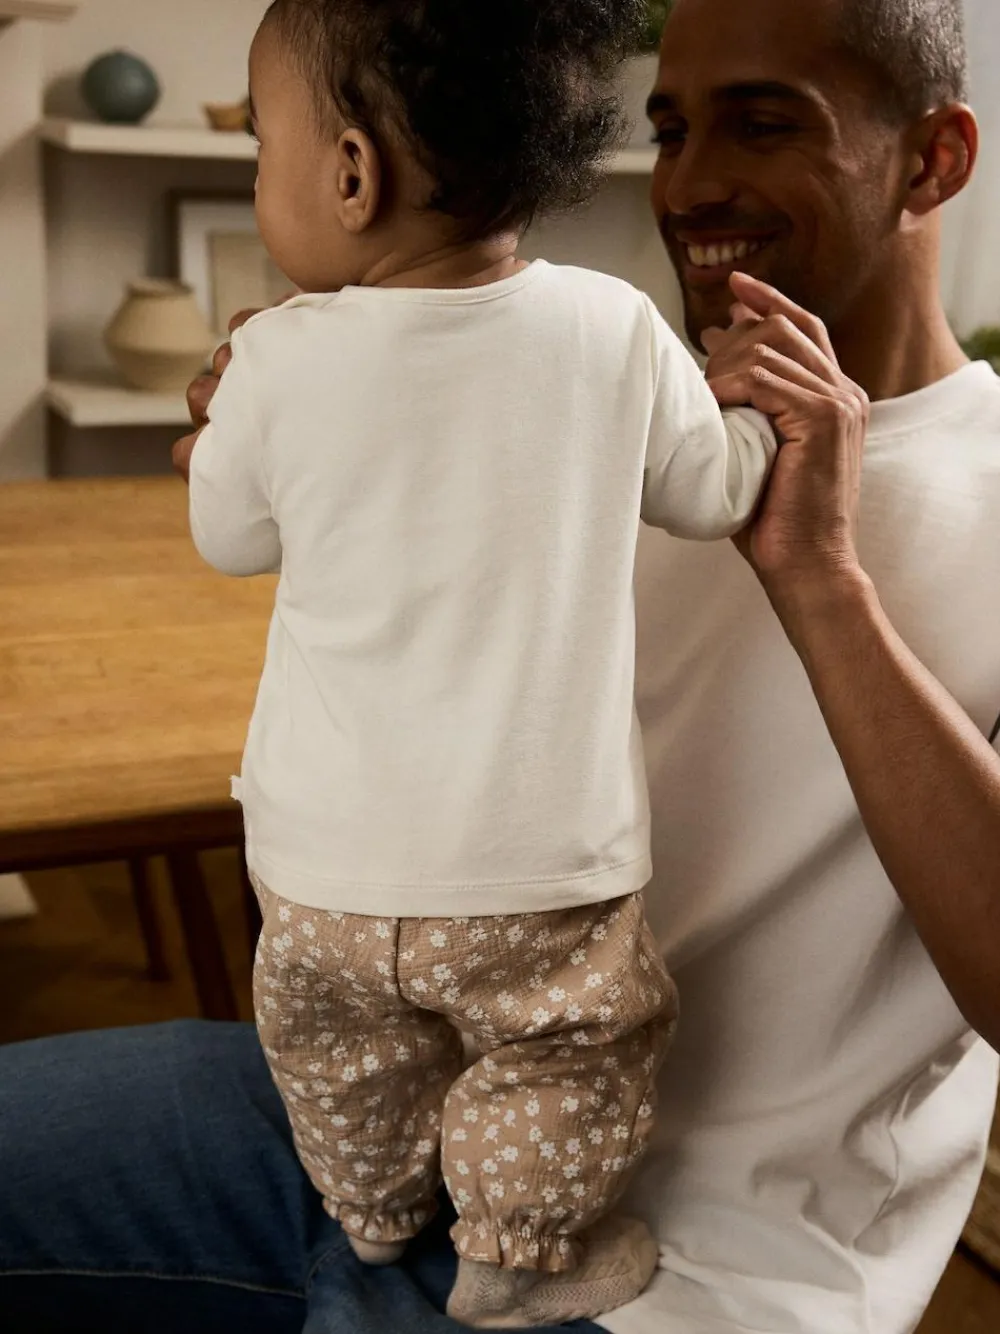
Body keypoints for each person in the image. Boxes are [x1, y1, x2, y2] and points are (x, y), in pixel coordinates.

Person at [2, 0, 998, 1331]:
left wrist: (822, 578)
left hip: (700, 1273)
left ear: (934, 158)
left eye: (763, 124)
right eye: (668, 130)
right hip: (377, 1111)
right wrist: (303, 433)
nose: (689, 184)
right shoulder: (615, 374)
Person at [185, 1, 778, 1327]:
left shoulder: (275, 355)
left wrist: (237, 424)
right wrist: (744, 401)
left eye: (263, 148)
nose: (262, 174)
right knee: (570, 1049)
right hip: (536, 869)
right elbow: (717, 491)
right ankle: (515, 1249)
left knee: (341, 1048)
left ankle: (374, 1207)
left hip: (321, 869)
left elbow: (227, 536)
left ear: (350, 174)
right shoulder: (616, 329)